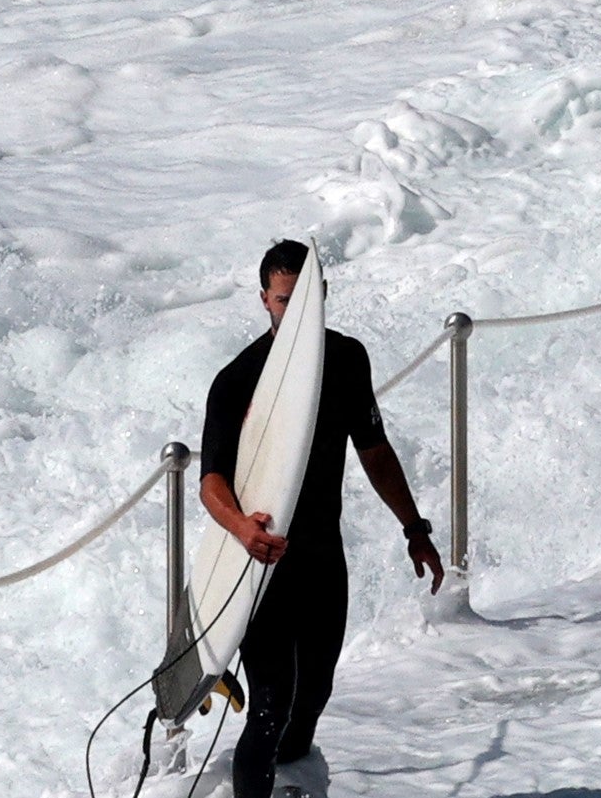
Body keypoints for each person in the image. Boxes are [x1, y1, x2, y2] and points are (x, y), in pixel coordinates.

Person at [197, 238, 441, 798]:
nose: (296, 311)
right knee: (269, 704)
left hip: (323, 560)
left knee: (313, 696)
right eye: (284, 301)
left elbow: (375, 451)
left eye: (306, 299)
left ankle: (290, 784)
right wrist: (241, 528)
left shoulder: (349, 359)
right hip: (262, 565)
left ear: (324, 295)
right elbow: (211, 484)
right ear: (264, 300)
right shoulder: (237, 380)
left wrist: (415, 529)